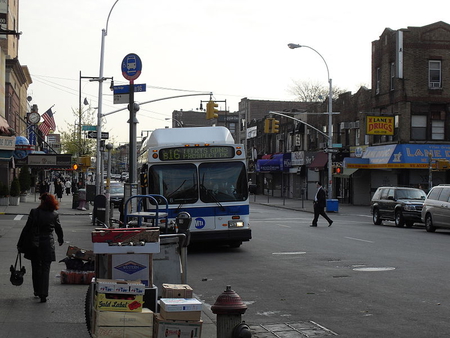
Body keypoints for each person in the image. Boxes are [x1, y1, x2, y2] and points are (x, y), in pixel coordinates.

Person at [17, 193, 64, 303]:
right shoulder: (54, 214)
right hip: (48, 243)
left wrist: (20, 243)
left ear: (42, 202)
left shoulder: (35, 212)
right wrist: (60, 239)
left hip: (35, 243)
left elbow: (27, 228)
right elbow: (58, 228)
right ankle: (44, 293)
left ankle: (37, 290)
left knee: (36, 267)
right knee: (45, 268)